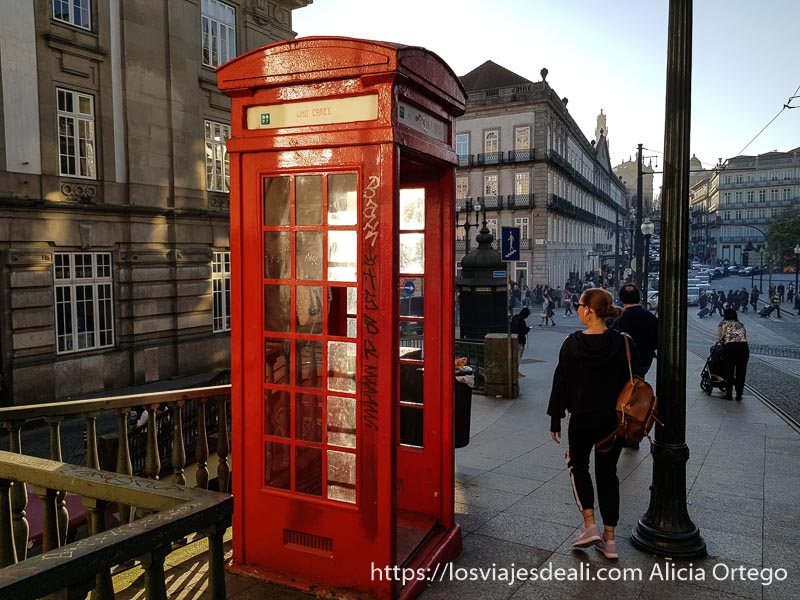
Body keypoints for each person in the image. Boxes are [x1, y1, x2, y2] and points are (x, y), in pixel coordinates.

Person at [547, 288, 642, 560]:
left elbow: (561, 382)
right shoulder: (623, 343)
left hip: (581, 418)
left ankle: (590, 525)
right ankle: (610, 540)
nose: (577, 309)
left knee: (578, 466)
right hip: (613, 422)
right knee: (608, 474)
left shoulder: (572, 343)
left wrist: (556, 417)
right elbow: (637, 375)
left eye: (579, 305)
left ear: (589, 310)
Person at [610, 284, 658, 450]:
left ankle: (623, 431)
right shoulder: (651, 318)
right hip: (643, 365)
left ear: (621, 299)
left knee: (623, 399)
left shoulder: (620, 320)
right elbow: (657, 342)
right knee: (636, 397)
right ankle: (634, 434)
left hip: (622, 368)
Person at [716, 308, 749, 401]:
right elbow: (744, 335)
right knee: (741, 372)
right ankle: (739, 394)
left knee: (729, 371)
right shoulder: (740, 324)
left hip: (730, 348)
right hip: (743, 348)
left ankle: (729, 394)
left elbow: (719, 338)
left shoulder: (723, 324)